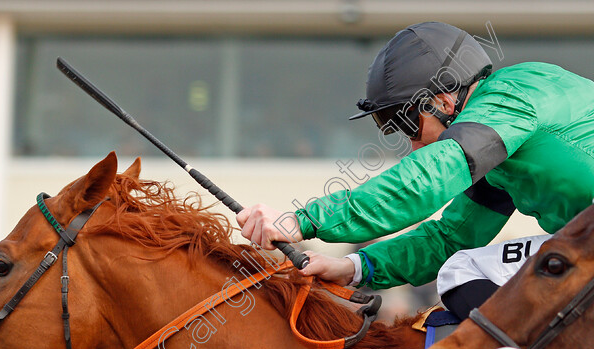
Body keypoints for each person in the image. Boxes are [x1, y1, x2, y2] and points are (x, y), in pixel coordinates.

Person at [236, 21, 594, 318]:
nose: (412, 145)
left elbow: (425, 181)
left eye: (407, 123)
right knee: (461, 261)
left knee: (463, 272)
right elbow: (452, 238)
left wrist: (303, 220)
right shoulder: (500, 147)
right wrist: (356, 267)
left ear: (443, 100)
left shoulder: (511, 95)